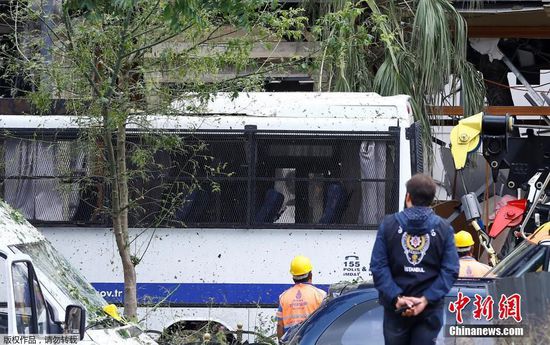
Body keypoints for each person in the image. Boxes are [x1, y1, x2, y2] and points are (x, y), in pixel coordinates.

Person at [370, 174, 459, 345]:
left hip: (396, 310)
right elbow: (450, 270)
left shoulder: (388, 225)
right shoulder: (444, 229)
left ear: (408, 197)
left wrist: (397, 298)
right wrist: (426, 299)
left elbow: (378, 266)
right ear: (432, 200)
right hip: (429, 310)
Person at [276, 255, 326, 340]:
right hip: (312, 340)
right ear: (310, 275)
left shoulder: (284, 296)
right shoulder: (321, 295)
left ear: (293, 277)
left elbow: (280, 325)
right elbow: (325, 322)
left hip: (290, 341)